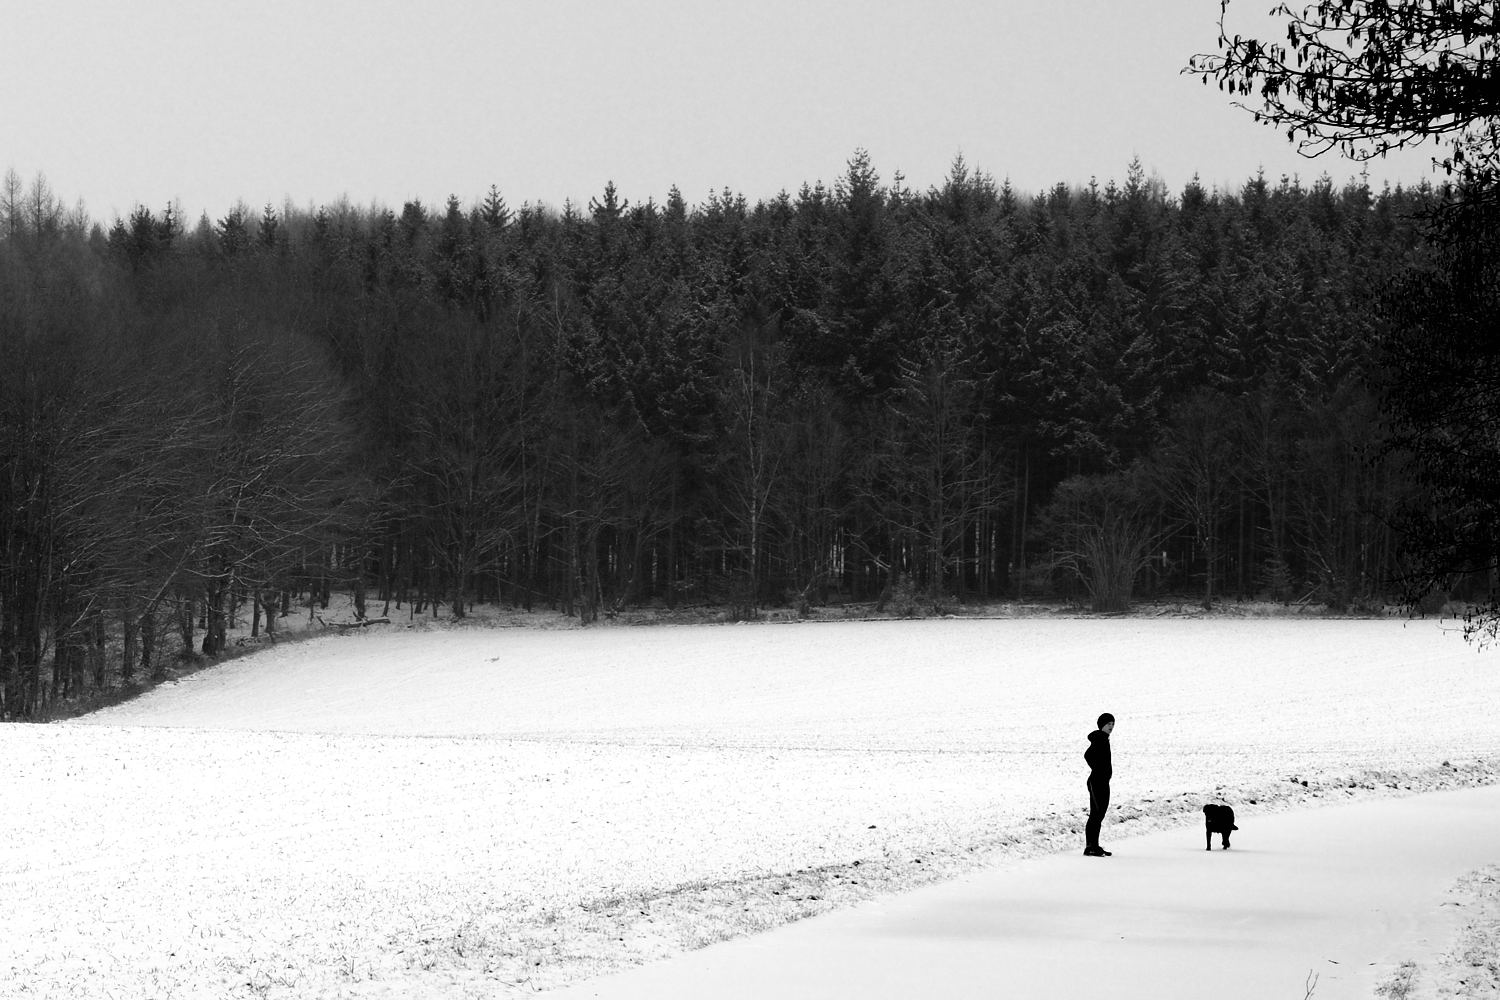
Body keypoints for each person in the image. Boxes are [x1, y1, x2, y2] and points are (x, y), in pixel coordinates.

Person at [1084, 712, 1115, 857]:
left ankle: (1093, 845)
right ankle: (1091, 847)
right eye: (1108, 724)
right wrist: (1097, 769)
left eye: (1113, 724)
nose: (1111, 727)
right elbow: (1088, 755)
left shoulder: (1103, 739)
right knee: (1096, 814)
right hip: (1097, 781)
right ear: (1102, 725)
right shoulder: (1100, 740)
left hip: (1102, 781)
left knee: (1099, 813)